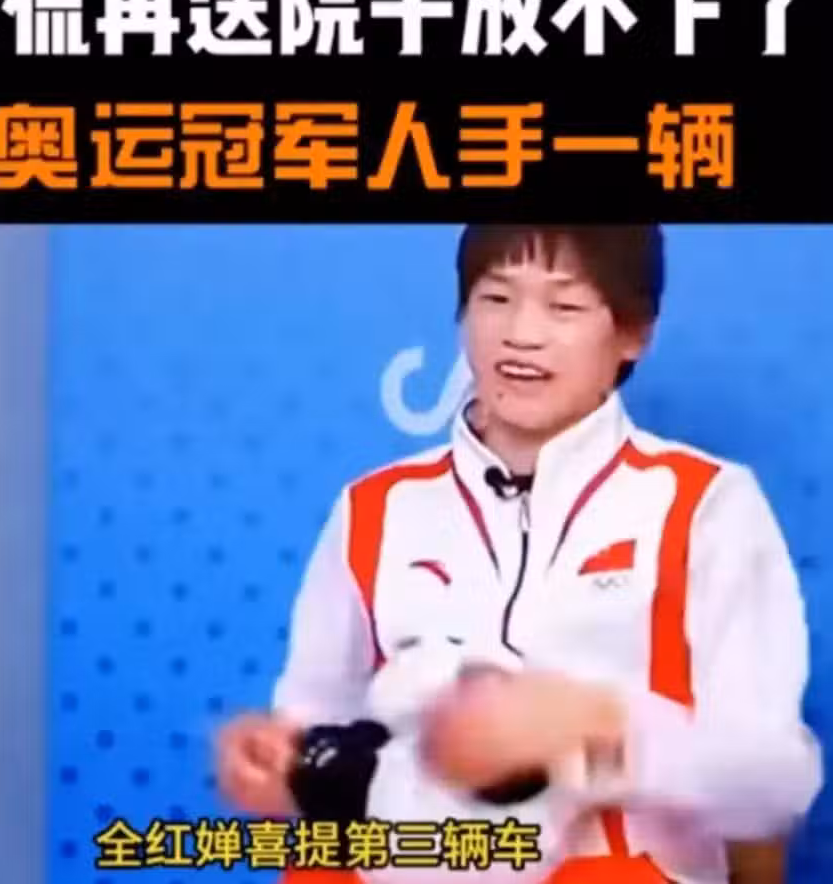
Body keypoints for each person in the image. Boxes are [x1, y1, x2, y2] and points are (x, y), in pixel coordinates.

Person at [214, 225, 823, 884]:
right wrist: (278, 765)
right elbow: (314, 726)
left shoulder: (706, 504)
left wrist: (597, 727)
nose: (521, 334)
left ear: (633, 334)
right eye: (496, 298)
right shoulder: (375, 509)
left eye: (564, 305)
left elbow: (774, 779)